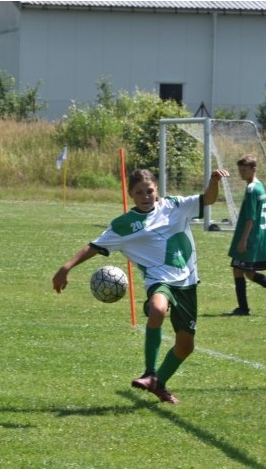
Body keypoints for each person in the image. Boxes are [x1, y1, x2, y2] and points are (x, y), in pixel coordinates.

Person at [52, 167, 227, 405]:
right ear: (131, 195)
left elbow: (208, 199)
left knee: (185, 346)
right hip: (158, 281)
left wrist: (214, 181)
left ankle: (159, 383)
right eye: (139, 192)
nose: (146, 196)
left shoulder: (174, 206)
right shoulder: (124, 225)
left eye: (150, 191)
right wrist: (66, 268)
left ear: (157, 190)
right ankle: (149, 372)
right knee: (157, 309)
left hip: (186, 282)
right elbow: (93, 246)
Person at [226, 154, 266, 316]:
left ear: (253, 169)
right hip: (259, 235)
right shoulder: (259, 186)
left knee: (240, 270)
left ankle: (244, 308)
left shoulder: (252, 189)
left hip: (251, 237)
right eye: (240, 169)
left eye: (245, 169)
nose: (242, 173)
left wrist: (243, 240)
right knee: (245, 271)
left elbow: (250, 217)